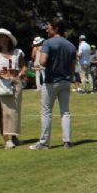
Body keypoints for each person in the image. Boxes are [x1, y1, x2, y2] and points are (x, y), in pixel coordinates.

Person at [30, 18, 77, 150]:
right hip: (66, 81)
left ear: (56, 28)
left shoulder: (48, 43)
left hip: (51, 81)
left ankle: (44, 142)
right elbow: (73, 67)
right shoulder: (71, 45)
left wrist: (40, 55)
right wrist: (70, 78)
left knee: (46, 112)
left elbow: (43, 61)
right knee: (65, 112)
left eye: (49, 27)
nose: (46, 29)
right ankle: (67, 141)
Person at [0, 28, 26, 149]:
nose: (0, 39)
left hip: (16, 84)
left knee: (15, 112)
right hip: (2, 84)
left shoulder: (17, 52)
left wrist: (21, 74)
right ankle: (6, 139)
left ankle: (14, 137)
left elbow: (23, 66)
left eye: (2, 36)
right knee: (4, 112)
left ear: (8, 38)